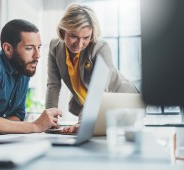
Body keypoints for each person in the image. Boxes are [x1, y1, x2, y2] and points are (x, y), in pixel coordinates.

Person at [45, 3, 138, 133]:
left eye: (86, 37)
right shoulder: (54, 47)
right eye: (73, 36)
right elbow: (53, 85)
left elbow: (98, 92)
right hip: (91, 107)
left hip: (123, 102)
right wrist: (49, 120)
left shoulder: (100, 48)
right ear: (63, 30)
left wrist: (84, 122)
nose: (79, 43)